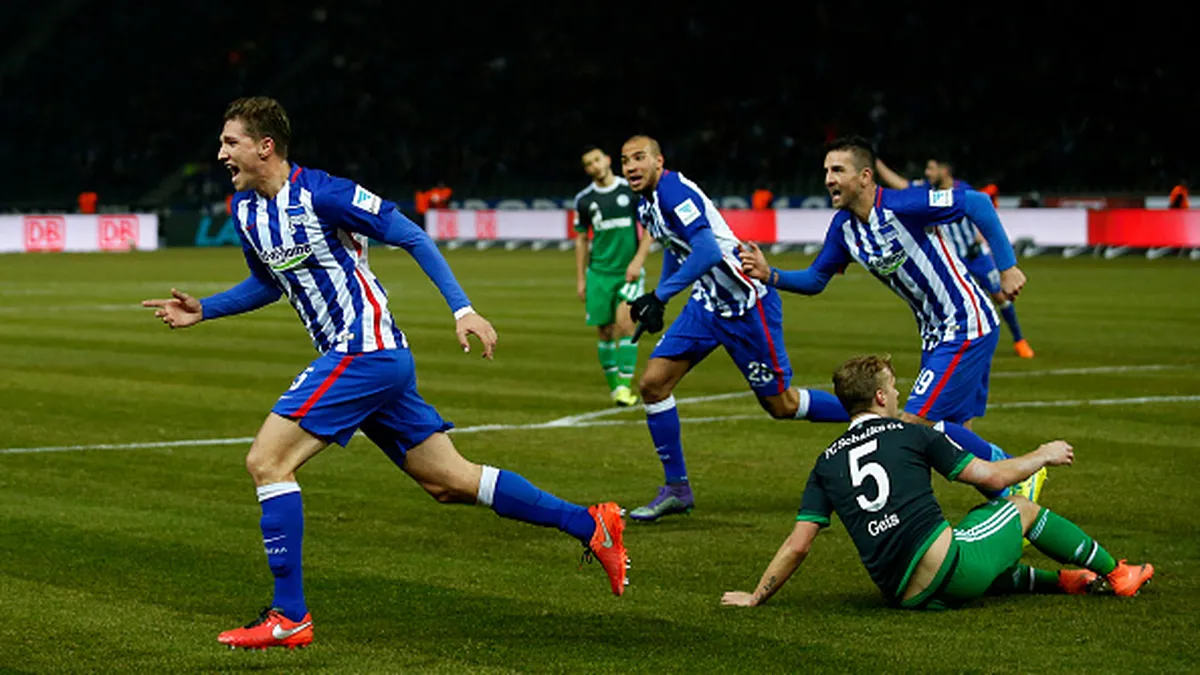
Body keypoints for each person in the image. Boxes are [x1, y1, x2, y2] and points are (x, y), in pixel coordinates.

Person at [142, 97, 629, 650]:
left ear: (265, 146)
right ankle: (591, 523)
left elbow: (412, 235)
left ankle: (290, 615)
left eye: (230, 142)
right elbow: (268, 282)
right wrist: (206, 308)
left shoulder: (326, 194)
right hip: (368, 362)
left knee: (267, 461)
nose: (221, 153)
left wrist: (463, 309)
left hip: (364, 352)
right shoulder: (246, 211)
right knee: (449, 481)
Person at [740, 136, 1045, 503]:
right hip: (935, 333)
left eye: (838, 170)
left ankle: (1017, 472)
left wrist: (1007, 266)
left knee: (914, 425)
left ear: (865, 177)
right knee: (948, 432)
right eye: (826, 171)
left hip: (965, 322)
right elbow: (816, 279)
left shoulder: (904, 204)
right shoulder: (844, 228)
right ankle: (1010, 499)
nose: (828, 179)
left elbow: (977, 202)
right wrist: (770, 274)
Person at [721, 354, 1154, 610]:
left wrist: (756, 595)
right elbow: (994, 475)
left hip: (902, 595)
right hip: (949, 571)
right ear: (879, 397)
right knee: (1017, 510)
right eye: (893, 387)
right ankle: (1119, 574)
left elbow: (798, 544)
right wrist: (1042, 455)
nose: (898, 394)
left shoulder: (826, 462)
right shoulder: (912, 433)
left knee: (975, 527)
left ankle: (1064, 581)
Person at [618, 135, 850, 523]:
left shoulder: (674, 192)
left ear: (659, 161)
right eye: (625, 161)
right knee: (653, 384)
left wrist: (659, 295)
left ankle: (869, 414)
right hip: (706, 305)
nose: (630, 167)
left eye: (639, 158)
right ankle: (677, 489)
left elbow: (708, 250)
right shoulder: (647, 204)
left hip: (747, 305)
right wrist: (664, 298)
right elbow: (678, 250)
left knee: (782, 405)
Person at [876, 154, 1034, 359]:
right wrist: (877, 163)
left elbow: (981, 212)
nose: (927, 173)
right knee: (950, 302)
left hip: (975, 255)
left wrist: (980, 237)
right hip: (952, 259)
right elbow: (900, 184)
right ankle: (953, 343)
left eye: (931, 169)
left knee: (1000, 296)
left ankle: (1019, 340)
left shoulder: (962, 189)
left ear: (944, 170)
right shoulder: (926, 190)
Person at [574, 145, 654, 407]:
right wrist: (581, 279)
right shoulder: (584, 200)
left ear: (608, 160)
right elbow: (582, 239)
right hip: (598, 274)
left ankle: (624, 386)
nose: (594, 166)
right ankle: (615, 389)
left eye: (597, 160)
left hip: (627, 273)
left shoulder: (629, 191)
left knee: (626, 324)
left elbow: (649, 227)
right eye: (589, 164)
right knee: (605, 331)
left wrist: (638, 260)